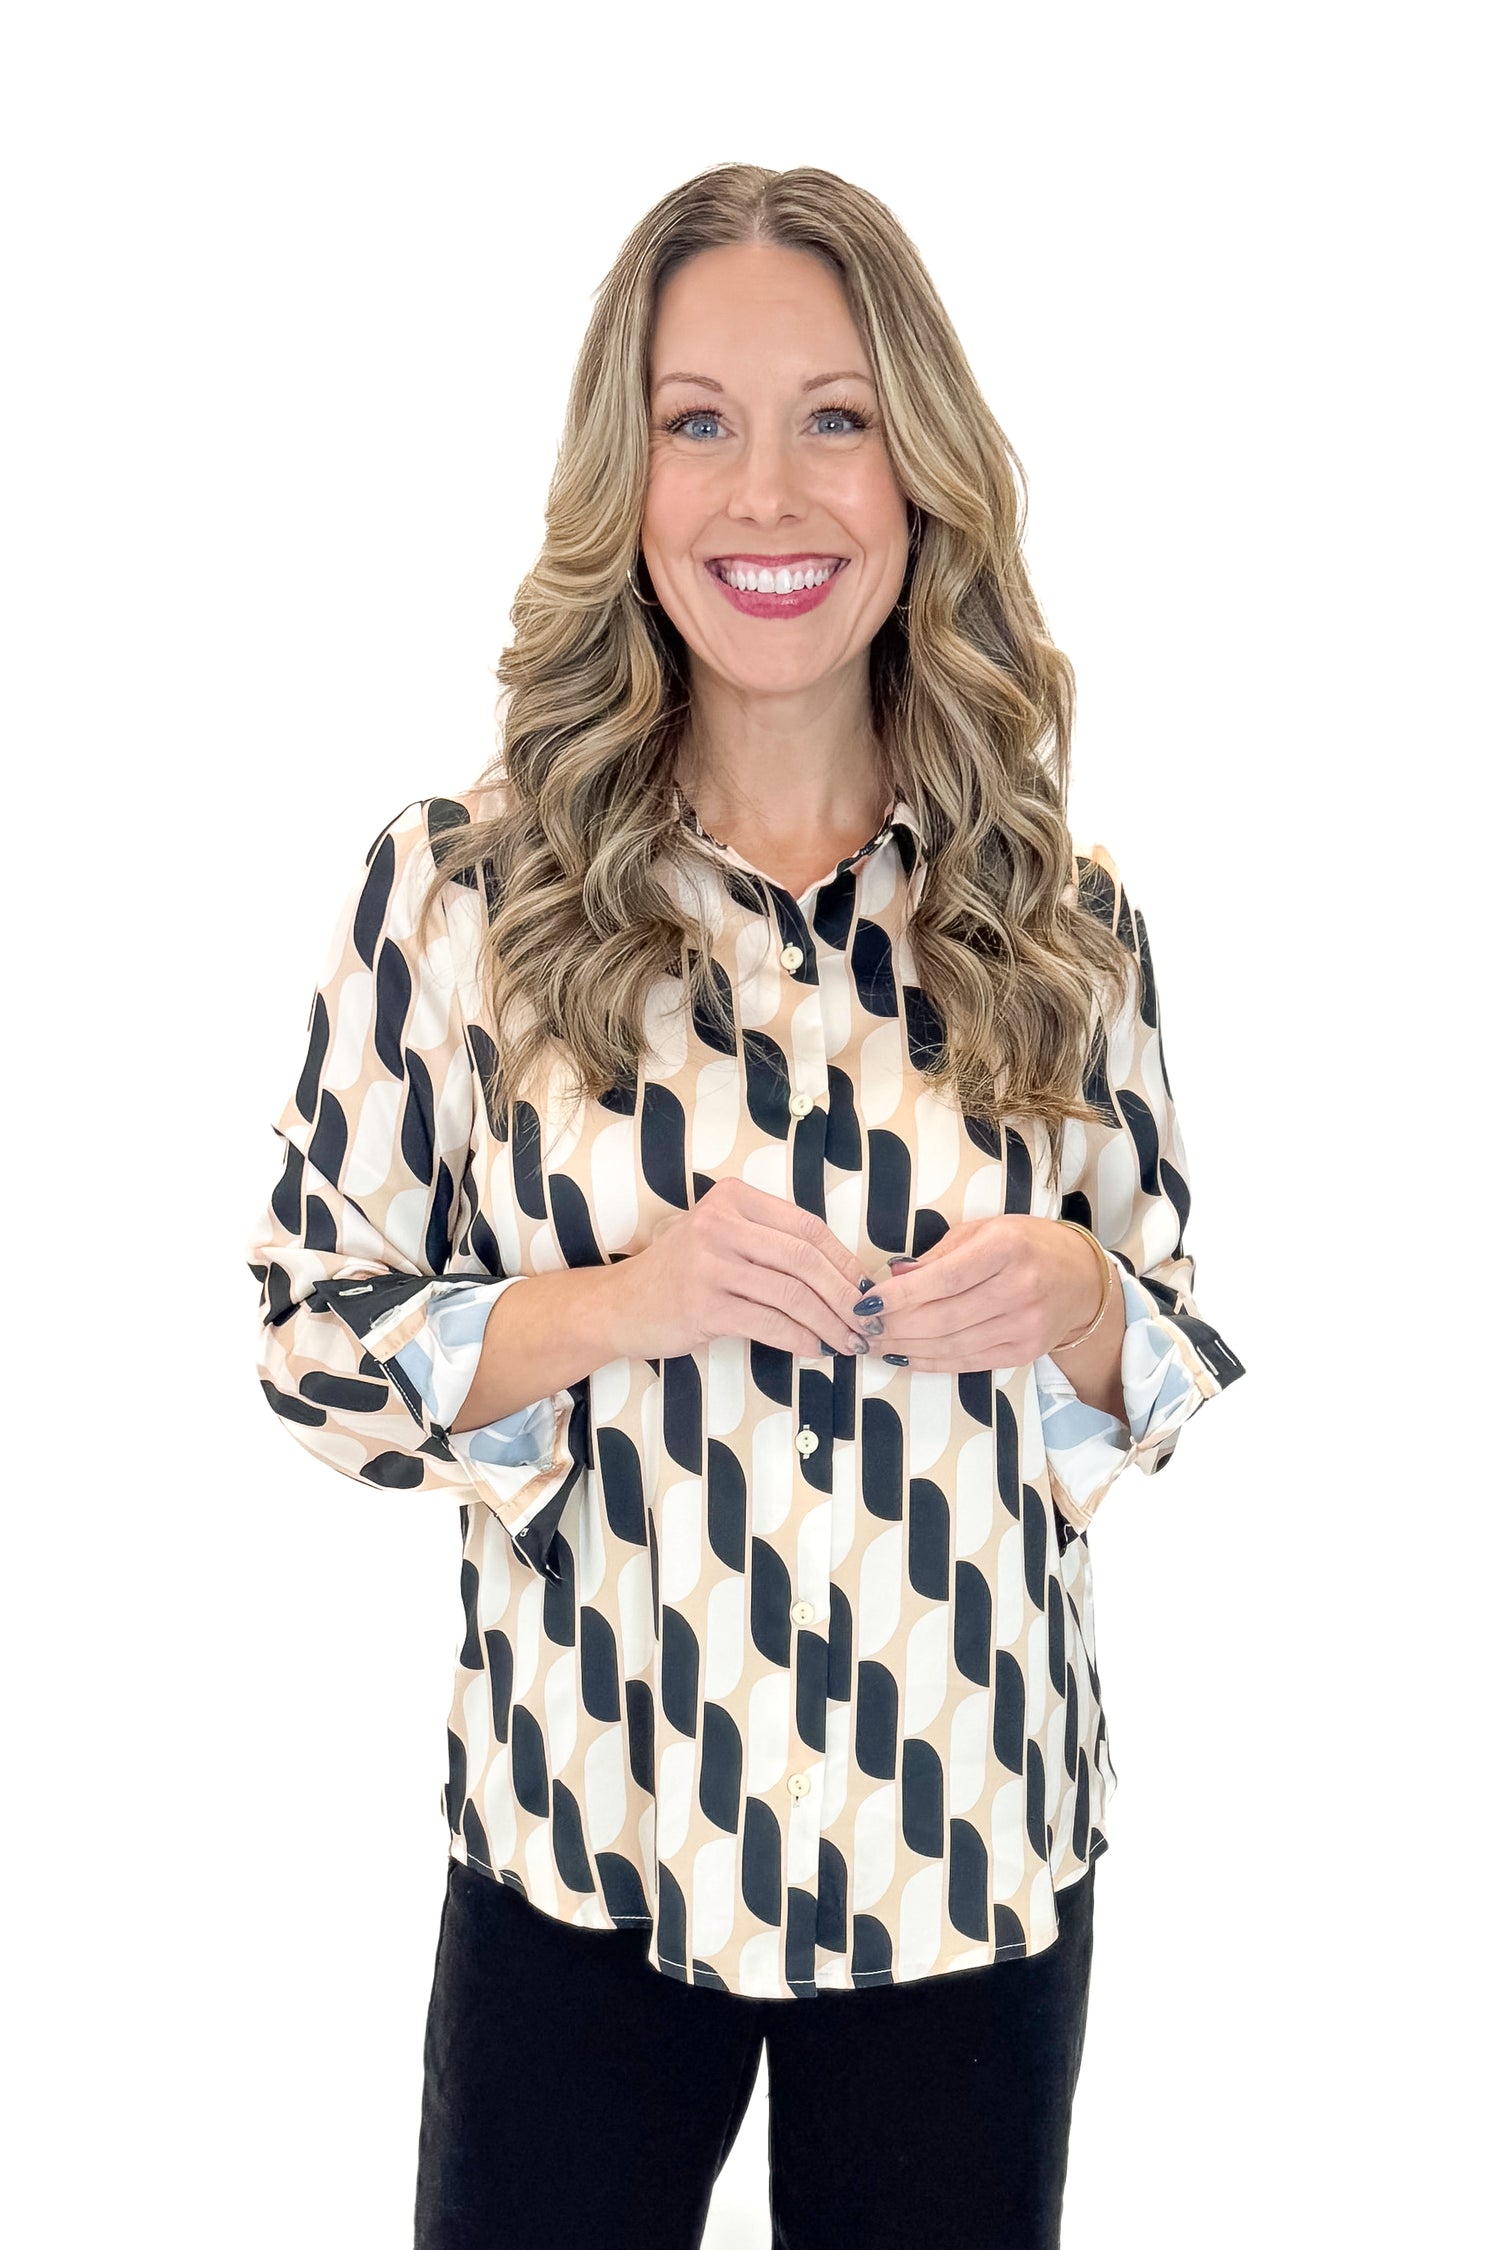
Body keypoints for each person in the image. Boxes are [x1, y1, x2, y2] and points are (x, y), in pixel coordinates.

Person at [245, 162, 1246, 2250]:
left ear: (924, 470)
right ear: (629, 473)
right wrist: (628, 1300)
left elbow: (1149, 1363)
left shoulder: (1059, 923)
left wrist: (1073, 1292)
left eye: (838, 418)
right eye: (699, 419)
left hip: (965, 1864)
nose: (767, 495)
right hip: (581, 1858)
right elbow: (313, 1335)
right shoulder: (456, 893)